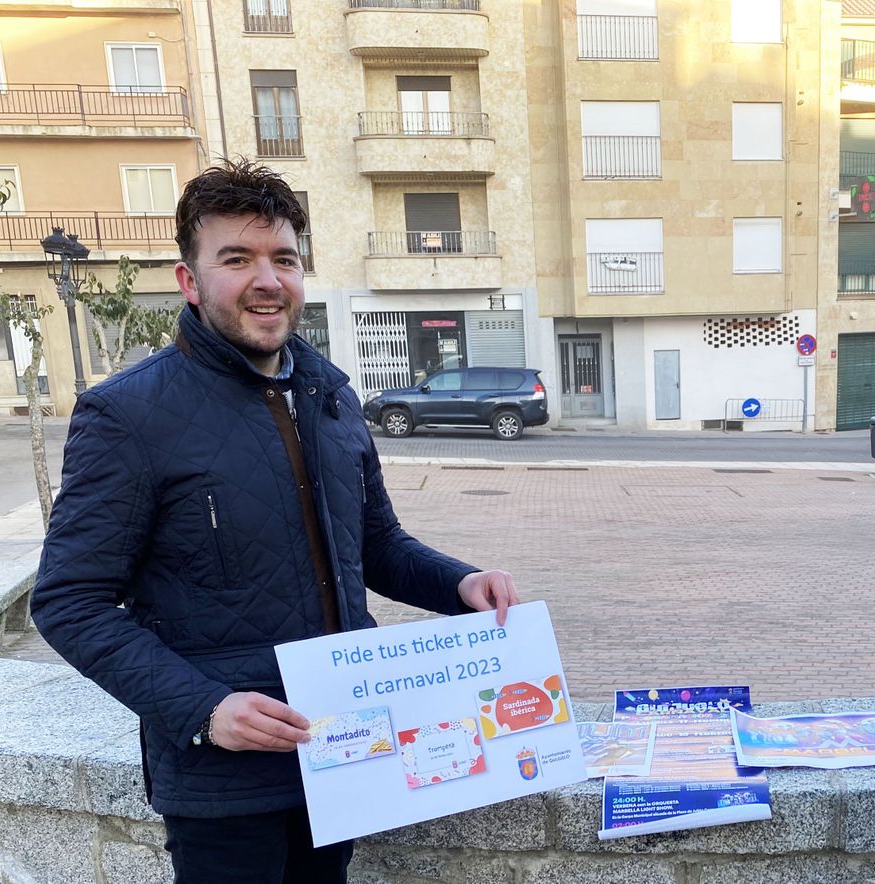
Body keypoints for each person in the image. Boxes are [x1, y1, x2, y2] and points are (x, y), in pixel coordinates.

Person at [31, 160, 522, 883]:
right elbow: (68, 603)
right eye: (237, 258)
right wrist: (205, 710)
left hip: (344, 754)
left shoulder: (330, 395)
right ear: (190, 281)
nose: (267, 279)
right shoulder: (128, 415)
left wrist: (462, 584)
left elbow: (377, 545)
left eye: (283, 259)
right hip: (226, 786)